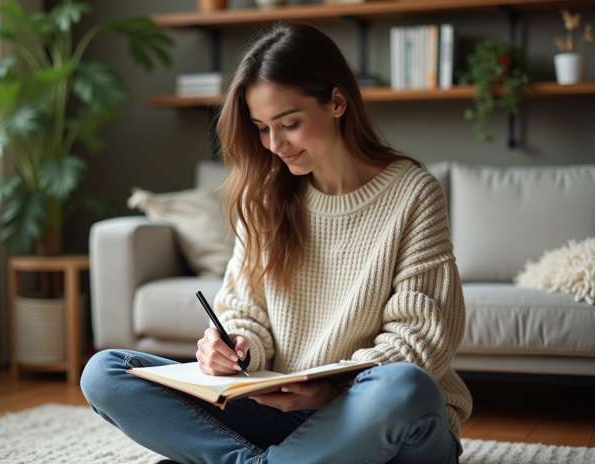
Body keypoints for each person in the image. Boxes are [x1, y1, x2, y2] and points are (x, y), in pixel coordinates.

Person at [81, 20, 472, 464]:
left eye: (288, 124)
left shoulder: (414, 192)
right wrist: (234, 346)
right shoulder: (266, 195)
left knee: (406, 385)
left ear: (337, 101)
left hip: (373, 417)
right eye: (262, 128)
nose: (274, 144)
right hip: (279, 415)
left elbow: (421, 337)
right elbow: (245, 311)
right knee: (106, 372)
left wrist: (329, 393)